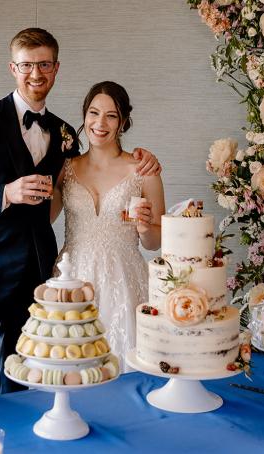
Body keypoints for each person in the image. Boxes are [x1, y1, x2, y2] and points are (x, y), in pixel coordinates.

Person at [0, 28, 160, 400]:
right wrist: (3, 194)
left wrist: (144, 159)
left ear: (56, 68)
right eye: (26, 65)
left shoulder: (65, 134)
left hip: (36, 280)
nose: (35, 73)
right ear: (12, 68)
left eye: (44, 65)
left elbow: (76, 186)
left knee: (25, 384)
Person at [51, 81, 165, 369]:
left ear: (123, 122)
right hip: (73, 275)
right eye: (93, 113)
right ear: (84, 115)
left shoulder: (143, 170)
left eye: (111, 115)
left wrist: (144, 228)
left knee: (123, 363)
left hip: (124, 279)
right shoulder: (65, 168)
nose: (100, 123)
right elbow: (40, 219)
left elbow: (155, 242)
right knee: (72, 367)